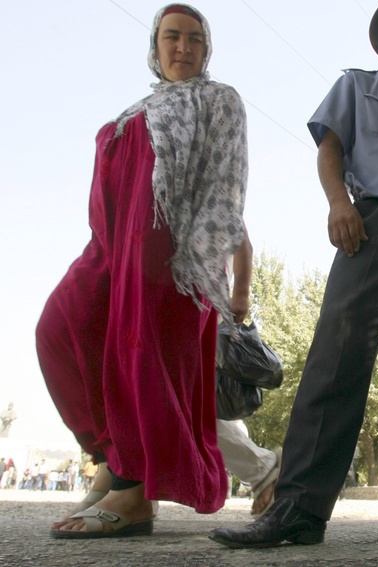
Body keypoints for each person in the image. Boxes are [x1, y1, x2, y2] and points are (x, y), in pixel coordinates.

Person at [209, 0, 378, 549]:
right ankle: (300, 508)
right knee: (339, 355)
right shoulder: (355, 86)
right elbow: (330, 149)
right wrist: (337, 203)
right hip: (377, 215)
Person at [35, 3, 249, 539]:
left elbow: (227, 183)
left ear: (207, 48)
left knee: (138, 358)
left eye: (195, 38)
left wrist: (199, 262)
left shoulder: (218, 99)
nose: (183, 47)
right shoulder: (137, 108)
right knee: (60, 329)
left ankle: (132, 494)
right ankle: (111, 453)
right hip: (109, 245)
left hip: (165, 246)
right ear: (154, 46)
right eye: (172, 37)